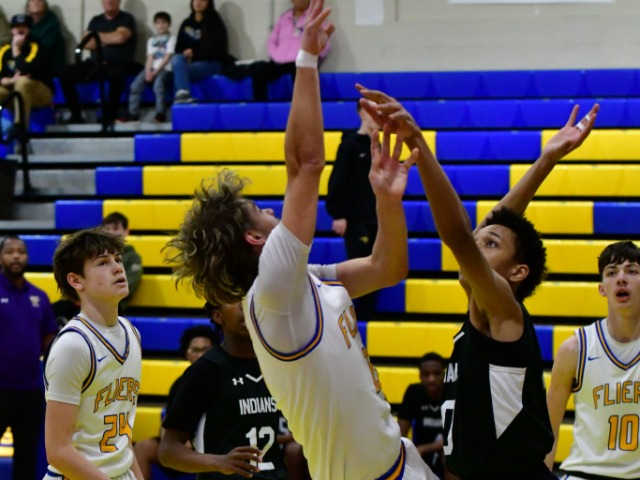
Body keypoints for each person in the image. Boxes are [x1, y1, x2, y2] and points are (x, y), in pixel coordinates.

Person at [167, 1, 437, 478]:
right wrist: (307, 59)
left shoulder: (300, 284)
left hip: (399, 460)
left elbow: (387, 268)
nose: (274, 210)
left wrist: (387, 200)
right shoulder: (273, 295)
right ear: (254, 238)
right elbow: (305, 164)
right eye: (262, 211)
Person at [357, 86, 599, 478]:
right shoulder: (480, 318)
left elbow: (458, 235)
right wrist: (546, 159)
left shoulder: (504, 312)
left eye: (490, 245)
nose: (476, 243)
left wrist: (418, 142)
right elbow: (488, 229)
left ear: (517, 272)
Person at [44, 227, 143, 479]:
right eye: (103, 263)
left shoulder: (132, 333)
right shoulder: (73, 345)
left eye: (118, 260)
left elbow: (122, 438)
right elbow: (58, 451)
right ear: (76, 280)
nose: (118, 268)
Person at [544, 241, 640, 479]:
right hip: (584, 474)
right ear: (602, 289)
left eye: (631, 271)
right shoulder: (575, 349)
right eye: (611, 273)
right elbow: (547, 429)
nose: (621, 278)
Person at [158, 302, 287, 479]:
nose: (244, 304)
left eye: (248, 296)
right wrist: (218, 462)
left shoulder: (276, 364)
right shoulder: (205, 370)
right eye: (234, 299)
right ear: (218, 316)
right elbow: (167, 452)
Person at [0, 235, 57, 480]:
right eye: (10, 251)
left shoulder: (40, 297)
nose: (16, 256)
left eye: (21, 251)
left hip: (30, 391)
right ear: (0, 257)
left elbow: (49, 338)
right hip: (0, 388)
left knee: (27, 456)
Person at [134, 324, 217, 480]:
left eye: (205, 350)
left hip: (212, 446)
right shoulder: (180, 384)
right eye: (195, 350)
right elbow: (168, 421)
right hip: (182, 446)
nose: (200, 355)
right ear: (186, 353)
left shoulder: (222, 380)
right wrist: (173, 444)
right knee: (143, 448)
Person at [326, 101, 379, 319]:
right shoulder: (349, 145)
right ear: (361, 113)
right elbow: (337, 181)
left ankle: (369, 319)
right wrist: (338, 214)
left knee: (377, 271)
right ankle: (359, 320)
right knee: (362, 271)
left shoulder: (380, 146)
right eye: (371, 111)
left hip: (376, 219)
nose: (376, 115)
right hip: (357, 221)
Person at [60, 0, 139, 125]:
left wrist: (96, 37)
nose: (109, 1)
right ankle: (76, 115)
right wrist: (109, 39)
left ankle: (110, 115)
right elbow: (86, 43)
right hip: (95, 64)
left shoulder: (126, 19)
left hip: (118, 63)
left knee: (116, 74)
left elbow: (120, 38)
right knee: (65, 73)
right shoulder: (96, 20)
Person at [250, 0, 331, 101]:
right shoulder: (283, 18)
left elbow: (325, 44)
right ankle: (261, 105)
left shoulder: (315, 19)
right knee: (259, 70)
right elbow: (271, 42)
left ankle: (301, 106)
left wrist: (310, 57)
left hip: (301, 62)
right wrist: (277, 56)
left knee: (301, 73)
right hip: (280, 62)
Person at [0, 14, 54, 132]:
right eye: (17, 27)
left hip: (40, 93)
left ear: (29, 29)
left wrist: (16, 49)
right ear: (11, 30)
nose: (20, 30)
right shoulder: (4, 50)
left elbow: (25, 69)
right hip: (13, 91)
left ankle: (20, 130)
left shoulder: (37, 47)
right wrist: (10, 80)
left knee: (23, 82)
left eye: (24, 27)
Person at [171, 0, 231, 104]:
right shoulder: (187, 23)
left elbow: (218, 51)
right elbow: (178, 48)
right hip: (190, 63)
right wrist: (184, 53)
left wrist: (194, 54)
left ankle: (183, 95)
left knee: (181, 72)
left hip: (211, 63)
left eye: (202, 0)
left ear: (209, 3)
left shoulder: (215, 23)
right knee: (176, 59)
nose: (198, 2)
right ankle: (183, 95)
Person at [398, 353, 446, 480]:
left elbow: (458, 438)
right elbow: (401, 434)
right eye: (426, 374)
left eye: (436, 373)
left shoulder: (453, 392)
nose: (431, 379)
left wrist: (424, 448)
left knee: (448, 453)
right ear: (420, 375)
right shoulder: (414, 392)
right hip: (419, 458)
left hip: (446, 455)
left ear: (444, 374)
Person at [122, 11, 175, 123]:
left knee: (158, 85)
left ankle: (160, 114)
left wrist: (155, 73)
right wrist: (147, 72)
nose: (161, 25)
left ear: (169, 24)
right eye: (158, 22)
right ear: (154, 25)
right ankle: (133, 113)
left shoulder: (172, 38)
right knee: (135, 86)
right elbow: (150, 58)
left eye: (164, 22)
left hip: (165, 69)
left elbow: (167, 57)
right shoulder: (151, 40)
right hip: (151, 69)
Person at [103, 212, 143, 313]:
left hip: (115, 304)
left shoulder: (133, 258)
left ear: (126, 231)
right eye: (107, 229)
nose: (110, 233)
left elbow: (128, 285)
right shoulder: (96, 255)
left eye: (115, 228)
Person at [25, 0, 65, 76]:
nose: (36, 2)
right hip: (29, 65)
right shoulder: (25, 22)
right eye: (32, 0)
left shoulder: (52, 24)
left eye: (40, 0)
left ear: (45, 5)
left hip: (49, 69)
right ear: (28, 6)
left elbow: (43, 50)